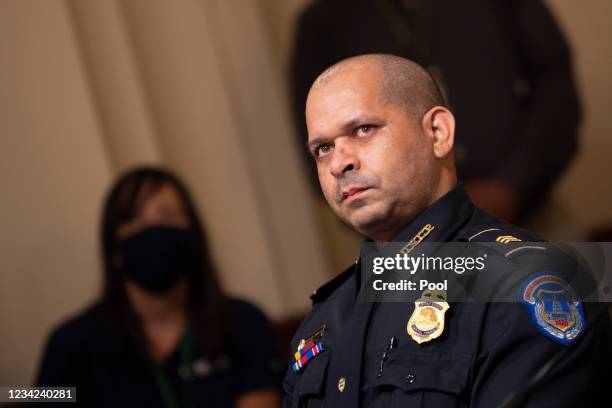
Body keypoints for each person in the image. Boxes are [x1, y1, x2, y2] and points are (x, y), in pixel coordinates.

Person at [282, 54, 610, 407]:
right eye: (323, 148)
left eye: (363, 130)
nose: (339, 163)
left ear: (438, 133)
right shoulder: (326, 317)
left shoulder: (528, 285)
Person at [291, 0, 581, 224]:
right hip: (405, 242)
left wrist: (511, 184)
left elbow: (556, 89)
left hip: (530, 213)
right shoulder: (323, 23)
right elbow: (317, 139)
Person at [37, 167, 282, 408]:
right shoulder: (68, 346)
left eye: (167, 216)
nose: (152, 230)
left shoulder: (244, 323)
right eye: (134, 221)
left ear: (192, 233)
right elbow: (18, 396)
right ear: (115, 251)